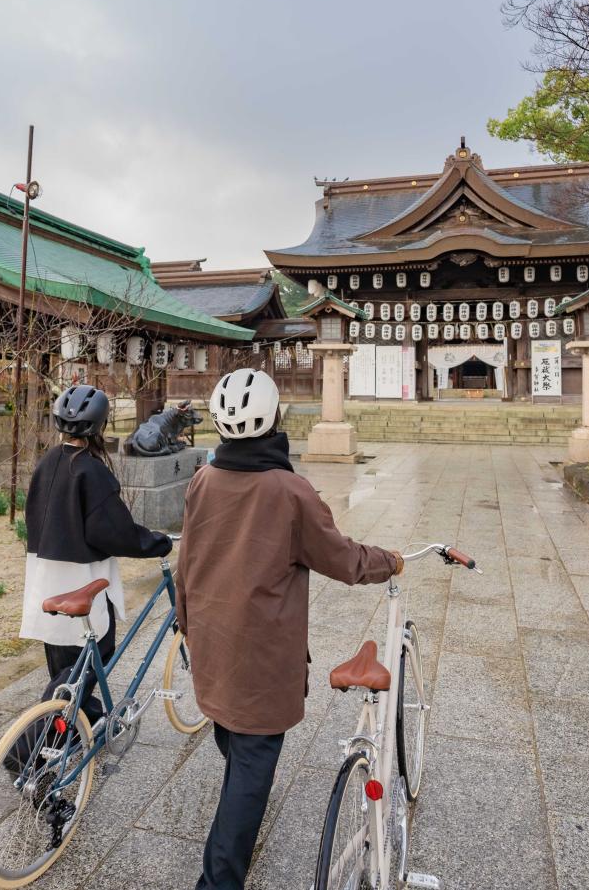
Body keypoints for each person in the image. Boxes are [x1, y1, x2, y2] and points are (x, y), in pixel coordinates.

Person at [176, 368, 403, 890]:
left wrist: (187, 628)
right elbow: (343, 559)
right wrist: (390, 560)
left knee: (234, 739)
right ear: (274, 419)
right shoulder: (289, 490)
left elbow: (186, 564)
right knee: (253, 764)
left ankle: (240, 811)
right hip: (260, 656)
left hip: (210, 640)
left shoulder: (203, 479)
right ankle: (217, 881)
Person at [19, 384, 173, 728]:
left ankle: (89, 725)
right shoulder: (91, 470)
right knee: (91, 661)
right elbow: (115, 533)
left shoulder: (46, 464)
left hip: (45, 579)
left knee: (66, 668)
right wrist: (157, 543)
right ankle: (30, 746)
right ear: (100, 427)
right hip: (82, 579)